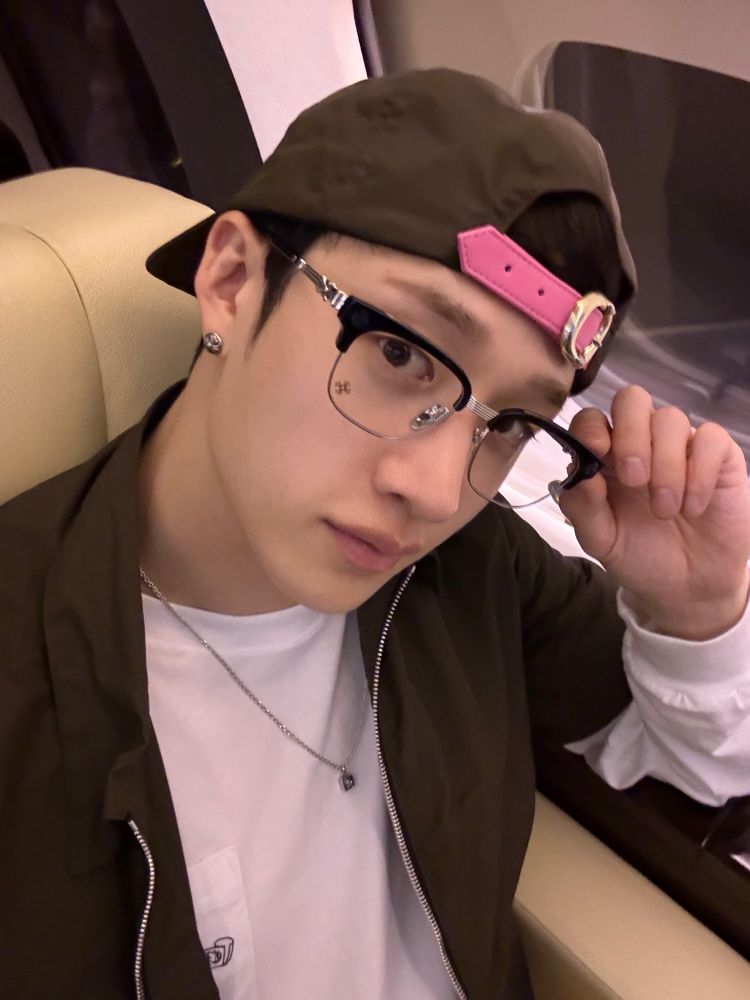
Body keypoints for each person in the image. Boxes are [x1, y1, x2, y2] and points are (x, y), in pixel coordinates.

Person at [1, 68, 749, 1000]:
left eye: (510, 423)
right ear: (231, 280)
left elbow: (699, 774)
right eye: (399, 352)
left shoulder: (474, 567)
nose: (435, 492)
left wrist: (698, 605)